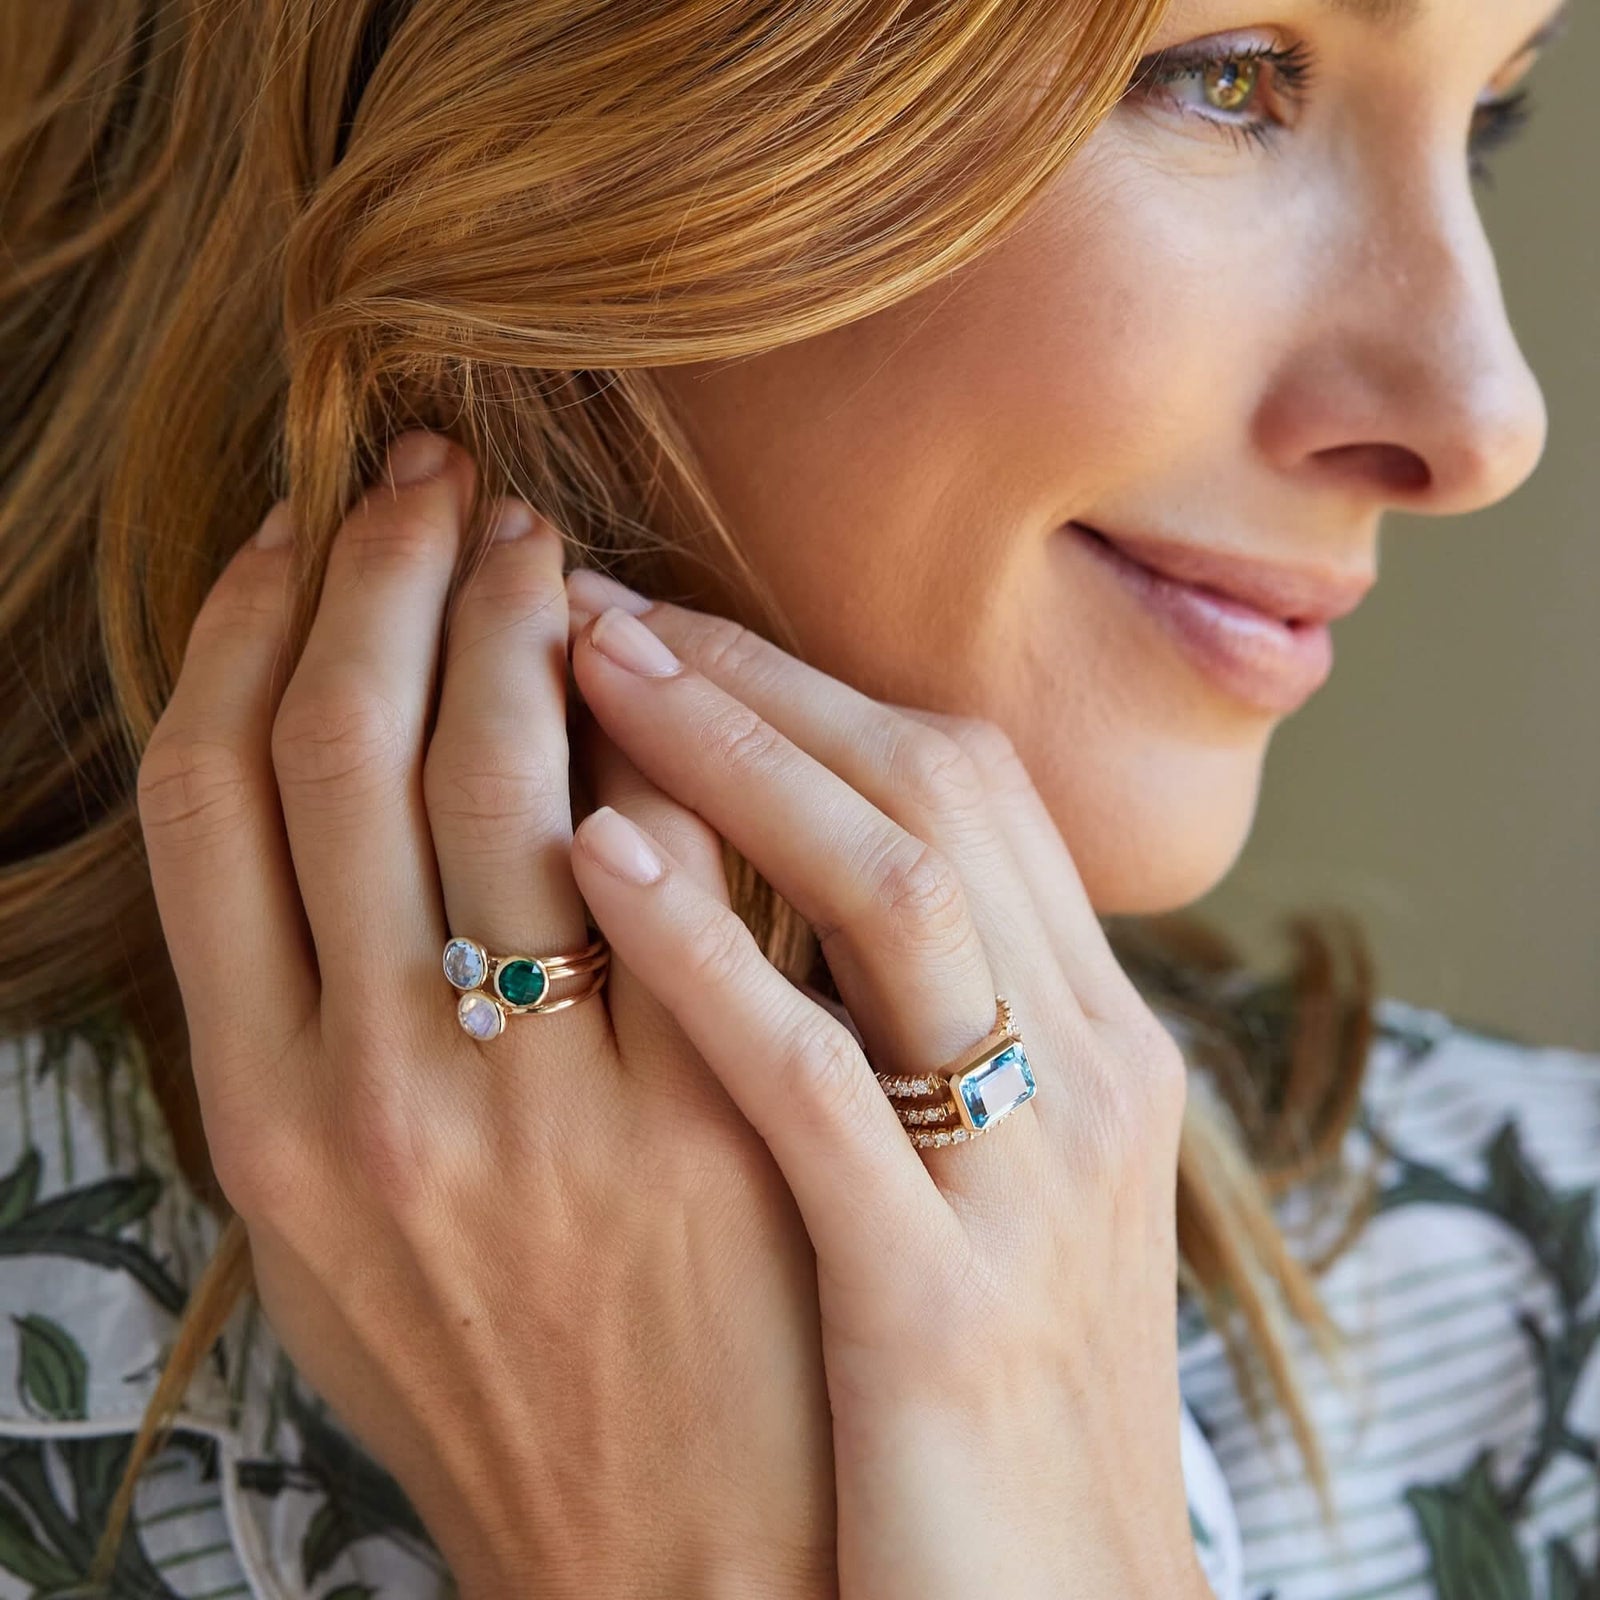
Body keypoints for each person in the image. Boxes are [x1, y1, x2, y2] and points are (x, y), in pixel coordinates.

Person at [0, 0, 1589, 1596]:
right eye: (1222, 79)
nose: (1486, 418)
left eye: (1489, 120)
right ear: (546, 97)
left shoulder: (1555, 1325)